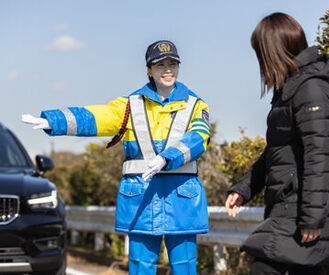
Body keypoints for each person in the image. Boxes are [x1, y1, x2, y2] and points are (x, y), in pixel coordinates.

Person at [22, 40, 210, 275]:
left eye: (172, 63)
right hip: (142, 198)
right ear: (149, 70)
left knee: (185, 268)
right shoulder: (130, 106)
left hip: (181, 198)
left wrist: (167, 157)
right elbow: (96, 117)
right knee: (141, 268)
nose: (168, 69)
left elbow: (199, 137)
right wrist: (54, 121)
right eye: (160, 64)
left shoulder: (195, 105)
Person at [225, 13, 329, 275]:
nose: (261, 61)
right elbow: (276, 151)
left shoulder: (310, 88)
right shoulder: (291, 88)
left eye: (262, 53)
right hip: (290, 207)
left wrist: (312, 218)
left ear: (276, 51)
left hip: (302, 210)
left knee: (263, 266)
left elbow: (320, 157)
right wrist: (245, 188)